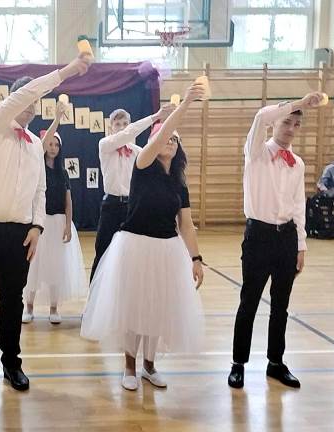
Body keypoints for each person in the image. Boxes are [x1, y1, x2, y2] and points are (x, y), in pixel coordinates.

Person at [0, 54, 92, 396]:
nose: (32, 108)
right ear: (15, 100)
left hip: (17, 235)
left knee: (12, 301)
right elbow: (26, 93)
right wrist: (68, 71)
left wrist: (36, 227)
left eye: (36, 105)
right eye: (29, 101)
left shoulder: (36, 144)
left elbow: (40, 190)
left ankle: (11, 362)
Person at [81, 81, 206, 391]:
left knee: (158, 308)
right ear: (154, 142)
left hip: (167, 249)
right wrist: (184, 106)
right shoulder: (142, 164)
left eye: (175, 140)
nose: (170, 142)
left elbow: (186, 224)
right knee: (135, 306)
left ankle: (150, 365)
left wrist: (196, 258)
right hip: (136, 244)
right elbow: (162, 134)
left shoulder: (179, 183)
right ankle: (130, 366)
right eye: (166, 138)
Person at [228, 91, 324, 390]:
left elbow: (298, 206)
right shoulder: (256, 151)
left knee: (281, 306)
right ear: (276, 123)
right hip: (259, 235)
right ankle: (238, 363)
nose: (291, 129)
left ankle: (275, 362)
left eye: (297, 124)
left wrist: (301, 245)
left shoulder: (298, 163)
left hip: (287, 239)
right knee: (249, 302)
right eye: (286, 122)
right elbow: (260, 117)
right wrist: (300, 103)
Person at [89, 104, 175, 281]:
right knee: (102, 251)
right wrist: (155, 116)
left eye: (125, 124)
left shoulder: (138, 152)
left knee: (132, 253)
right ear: (111, 127)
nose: (122, 127)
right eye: (117, 124)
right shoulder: (104, 145)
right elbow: (128, 134)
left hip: (132, 207)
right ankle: (94, 296)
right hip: (111, 205)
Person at [22, 101, 87, 324]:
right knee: (34, 265)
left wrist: (68, 224)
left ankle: (53, 307)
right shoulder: (36, 166)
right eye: (49, 143)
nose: (52, 147)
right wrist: (57, 118)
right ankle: (29, 306)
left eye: (56, 144)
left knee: (55, 268)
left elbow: (68, 201)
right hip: (39, 223)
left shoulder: (63, 173)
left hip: (58, 223)